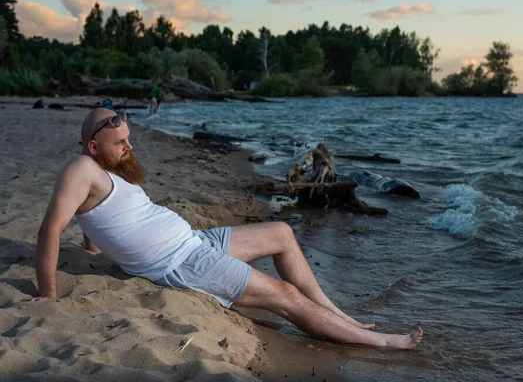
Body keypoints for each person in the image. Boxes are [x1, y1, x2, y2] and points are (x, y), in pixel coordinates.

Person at [33, 108, 423, 349]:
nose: (129, 147)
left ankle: (335, 313)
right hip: (180, 262)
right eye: (120, 142)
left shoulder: (105, 171)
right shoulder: (80, 169)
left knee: (282, 234)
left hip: (193, 242)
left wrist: (95, 249)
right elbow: (51, 229)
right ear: (92, 147)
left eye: (128, 139)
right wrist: (49, 294)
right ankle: (384, 341)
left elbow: (97, 216)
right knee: (284, 295)